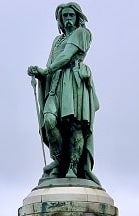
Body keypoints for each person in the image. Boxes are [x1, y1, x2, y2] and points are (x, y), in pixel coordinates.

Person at [28, 2, 100, 185]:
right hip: (55, 83)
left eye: (71, 15)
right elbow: (52, 60)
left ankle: (73, 167)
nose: (68, 19)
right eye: (65, 16)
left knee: (75, 125)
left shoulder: (82, 33)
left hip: (74, 81)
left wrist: (46, 70)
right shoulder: (56, 40)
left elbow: (67, 56)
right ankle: (60, 161)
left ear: (77, 17)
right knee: (49, 121)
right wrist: (40, 73)